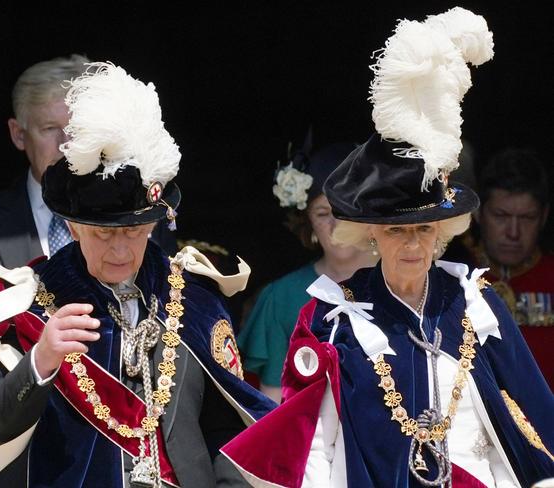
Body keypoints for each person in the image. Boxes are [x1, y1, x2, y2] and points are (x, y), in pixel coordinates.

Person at [222, 7, 554, 488]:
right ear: (371, 233)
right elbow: (314, 443)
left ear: (443, 231)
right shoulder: (329, 319)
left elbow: (534, 413)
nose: (414, 244)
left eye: (425, 229)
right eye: (398, 231)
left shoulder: (476, 305)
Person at [0, 62, 276, 487]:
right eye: (103, 234)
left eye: (135, 232)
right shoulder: (24, 303)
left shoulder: (197, 303)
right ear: (74, 226)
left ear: (155, 225)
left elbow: (231, 436)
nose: (119, 249)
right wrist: (41, 360)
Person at [0, 54, 178, 323]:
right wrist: (37, 364)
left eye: (77, 129)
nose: (66, 145)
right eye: (50, 128)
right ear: (18, 134)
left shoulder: (140, 208)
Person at [238, 133, 374, 402]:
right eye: (323, 214)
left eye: (345, 211)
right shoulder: (282, 297)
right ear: (308, 222)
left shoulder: (403, 279)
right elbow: (273, 404)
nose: (336, 226)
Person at [461, 148, 553, 388]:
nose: (513, 232)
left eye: (526, 218)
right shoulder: (454, 277)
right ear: (479, 213)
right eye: (501, 216)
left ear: (544, 217)